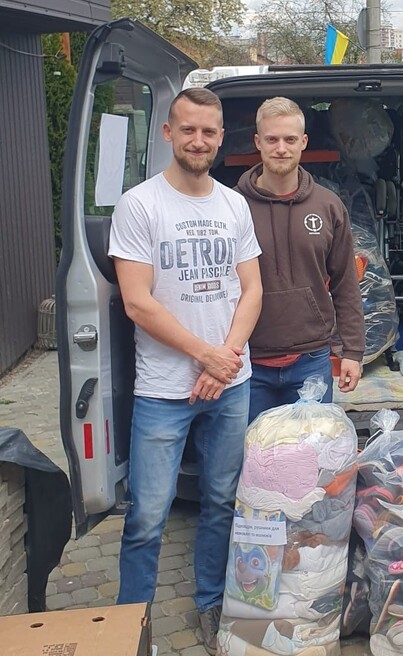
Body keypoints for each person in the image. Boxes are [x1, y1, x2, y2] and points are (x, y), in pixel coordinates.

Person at [109, 87, 263, 655]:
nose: (199, 140)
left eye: (210, 131)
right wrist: (207, 355)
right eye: (188, 129)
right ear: (168, 134)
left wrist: (224, 362)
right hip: (163, 390)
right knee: (148, 515)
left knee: (223, 500)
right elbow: (137, 302)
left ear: (222, 139)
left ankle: (210, 604)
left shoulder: (233, 204)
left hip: (229, 385)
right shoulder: (140, 205)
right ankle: (133, 627)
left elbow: (252, 290)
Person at [235, 97, 364, 421]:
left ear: (303, 142)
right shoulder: (231, 206)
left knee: (311, 463)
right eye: (272, 139)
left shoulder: (328, 206)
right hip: (247, 363)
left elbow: (345, 283)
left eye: (290, 139)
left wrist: (352, 351)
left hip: (311, 361)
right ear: (258, 142)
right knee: (254, 462)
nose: (281, 148)